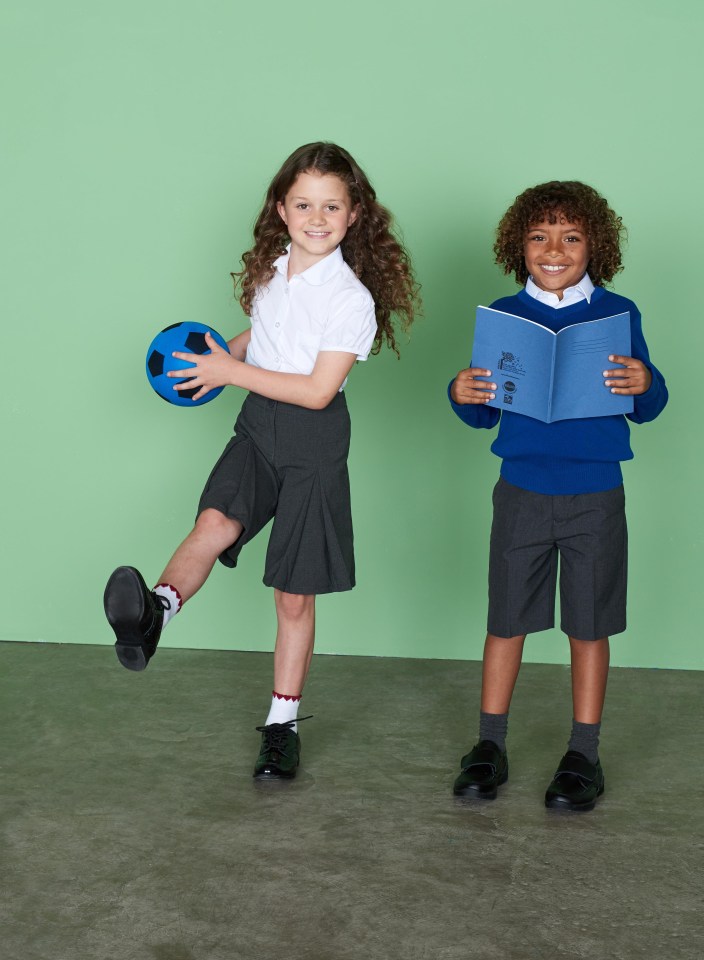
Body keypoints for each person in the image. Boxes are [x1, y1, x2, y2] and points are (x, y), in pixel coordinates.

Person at [104, 142, 419, 781]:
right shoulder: (276, 268)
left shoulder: (350, 299)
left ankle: (281, 727)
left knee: (292, 598)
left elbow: (316, 390)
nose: (317, 216)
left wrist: (233, 370)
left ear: (355, 214)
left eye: (332, 205)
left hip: (313, 442)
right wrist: (216, 359)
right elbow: (265, 335)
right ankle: (152, 615)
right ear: (281, 209)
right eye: (303, 204)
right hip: (258, 428)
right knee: (214, 522)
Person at [448, 181, 667, 811]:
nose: (554, 248)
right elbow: (484, 414)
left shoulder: (619, 314)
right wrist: (462, 395)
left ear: (594, 245)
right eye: (540, 236)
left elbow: (649, 404)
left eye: (570, 237)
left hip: (595, 494)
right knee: (506, 621)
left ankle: (584, 754)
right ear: (519, 245)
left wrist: (646, 382)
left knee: (588, 626)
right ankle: (489, 745)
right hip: (520, 490)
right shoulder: (501, 315)